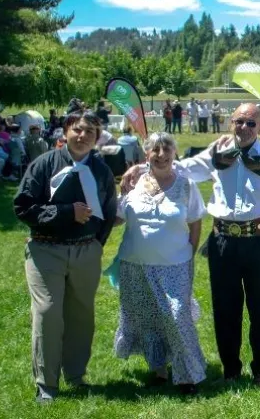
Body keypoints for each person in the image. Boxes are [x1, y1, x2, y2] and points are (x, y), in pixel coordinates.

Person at [121, 103, 260, 385]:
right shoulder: (217, 154)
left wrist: (254, 216)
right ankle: (231, 370)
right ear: (231, 123)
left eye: (251, 123)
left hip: (258, 241)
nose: (244, 128)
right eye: (239, 121)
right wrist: (144, 167)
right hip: (223, 241)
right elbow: (184, 167)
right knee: (225, 307)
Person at [13, 109, 117, 404]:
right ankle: (46, 382)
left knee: (81, 315)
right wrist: (66, 212)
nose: (83, 136)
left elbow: (108, 212)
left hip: (86, 251)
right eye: (78, 129)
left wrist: (96, 244)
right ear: (66, 131)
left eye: (90, 132)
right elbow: (23, 207)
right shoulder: (44, 164)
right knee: (47, 313)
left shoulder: (101, 171)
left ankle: (75, 374)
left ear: (97, 138)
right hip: (46, 250)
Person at [112, 132, 207, 394]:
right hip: (135, 264)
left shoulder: (186, 186)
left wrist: (190, 250)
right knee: (148, 318)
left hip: (175, 264)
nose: (162, 155)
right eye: (155, 150)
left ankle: (188, 373)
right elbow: (118, 218)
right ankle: (159, 369)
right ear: (147, 155)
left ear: (175, 153)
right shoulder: (132, 183)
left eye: (167, 149)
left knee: (177, 317)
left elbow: (196, 221)